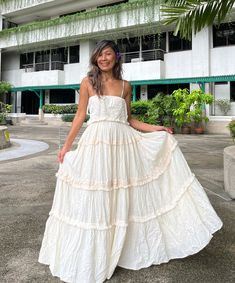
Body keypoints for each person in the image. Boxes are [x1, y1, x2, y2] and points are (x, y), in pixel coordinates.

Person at [38, 40, 222, 283]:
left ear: (116, 57)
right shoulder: (88, 83)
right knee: (98, 196)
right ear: (95, 59)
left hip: (122, 145)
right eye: (100, 55)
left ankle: (121, 245)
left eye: (108, 54)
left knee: (121, 194)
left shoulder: (126, 85)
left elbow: (130, 120)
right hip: (96, 145)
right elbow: (80, 117)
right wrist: (66, 147)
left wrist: (155, 128)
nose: (104, 59)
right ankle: (97, 253)